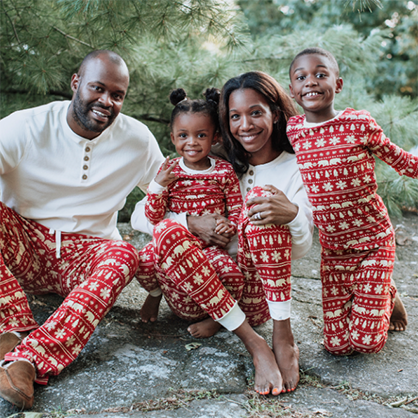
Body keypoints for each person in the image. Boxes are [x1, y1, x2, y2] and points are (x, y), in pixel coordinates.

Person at [0, 50, 164, 409]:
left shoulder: (137, 139)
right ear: (76, 83)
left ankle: (27, 362)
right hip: (22, 247)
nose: (106, 101)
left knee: (125, 254)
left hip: (88, 254)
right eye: (97, 88)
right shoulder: (24, 126)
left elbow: (168, 194)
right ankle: (10, 330)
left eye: (117, 95)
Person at [132, 72, 313, 395]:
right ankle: (253, 343)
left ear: (275, 112)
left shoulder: (296, 166)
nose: (245, 125)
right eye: (235, 116)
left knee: (261, 215)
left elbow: (301, 247)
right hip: (188, 281)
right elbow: (141, 216)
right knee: (168, 233)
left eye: (255, 112)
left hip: (251, 290)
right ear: (224, 124)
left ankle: (283, 337)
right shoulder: (210, 158)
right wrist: (191, 222)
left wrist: (293, 215)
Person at [287, 47, 411, 356]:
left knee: (366, 343)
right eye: (301, 77)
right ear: (292, 90)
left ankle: (384, 290)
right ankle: (384, 291)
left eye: (320, 74)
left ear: (337, 84)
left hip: (374, 241)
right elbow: (255, 150)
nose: (311, 82)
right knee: (337, 346)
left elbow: (404, 162)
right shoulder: (293, 131)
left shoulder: (358, 124)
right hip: (335, 250)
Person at [137, 87, 245, 338]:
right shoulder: (169, 169)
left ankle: (217, 318)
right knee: (142, 260)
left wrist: (230, 226)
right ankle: (155, 295)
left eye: (201, 135)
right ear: (173, 137)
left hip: (209, 248)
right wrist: (157, 186)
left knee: (232, 274)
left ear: (215, 137)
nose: (192, 142)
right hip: (172, 247)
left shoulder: (223, 171)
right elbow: (154, 217)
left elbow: (237, 208)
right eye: (183, 135)